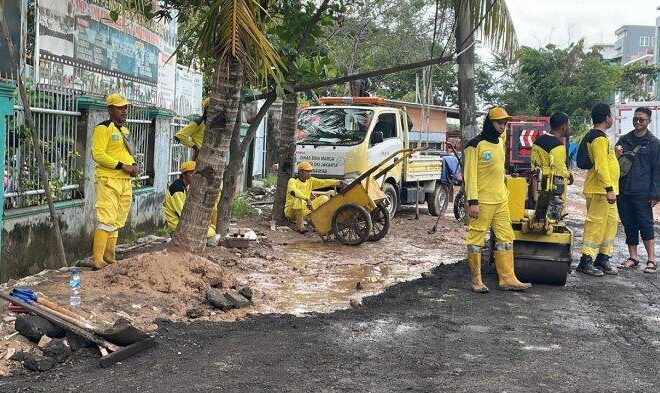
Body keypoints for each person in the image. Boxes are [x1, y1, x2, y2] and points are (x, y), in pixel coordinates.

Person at [464, 107, 531, 293]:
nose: (502, 126)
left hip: (500, 200)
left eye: (504, 123)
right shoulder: (475, 145)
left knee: (506, 238)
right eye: (499, 123)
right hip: (482, 202)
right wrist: (473, 202)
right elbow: (469, 176)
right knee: (476, 239)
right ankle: (476, 281)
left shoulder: (500, 142)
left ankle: (508, 278)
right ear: (489, 123)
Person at [91, 93, 138, 270]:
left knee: (117, 219)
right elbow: (98, 154)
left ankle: (110, 257)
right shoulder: (103, 128)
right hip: (108, 180)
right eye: (120, 107)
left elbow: (127, 154)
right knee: (106, 218)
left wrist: (133, 165)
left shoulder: (124, 130)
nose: (124, 111)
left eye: (125, 107)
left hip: (125, 181)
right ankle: (97, 260)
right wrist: (121, 166)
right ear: (110, 110)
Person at [576, 103, 620, 276]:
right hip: (600, 190)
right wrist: (609, 189)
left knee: (610, 224)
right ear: (607, 118)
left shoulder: (602, 138)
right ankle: (586, 260)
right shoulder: (599, 139)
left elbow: (604, 162)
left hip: (608, 190)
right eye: (611, 116)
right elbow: (601, 167)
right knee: (596, 224)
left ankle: (603, 257)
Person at [615, 107, 659, 274]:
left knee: (646, 224)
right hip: (624, 190)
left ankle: (652, 260)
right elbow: (613, 163)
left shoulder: (654, 143)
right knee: (629, 224)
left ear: (648, 121)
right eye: (636, 119)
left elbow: (657, 170)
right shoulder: (624, 141)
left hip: (643, 192)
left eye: (642, 119)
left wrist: (656, 194)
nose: (638, 122)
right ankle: (633, 257)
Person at [163, 161, 222, 246]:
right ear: (184, 175)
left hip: (182, 221)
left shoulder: (185, 186)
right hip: (177, 223)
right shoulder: (177, 189)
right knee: (211, 233)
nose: (194, 176)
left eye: (196, 173)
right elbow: (183, 213)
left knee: (211, 229)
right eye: (191, 173)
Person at [531, 112, 573, 215]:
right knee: (552, 218)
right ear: (564, 127)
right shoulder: (557, 146)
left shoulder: (537, 141)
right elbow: (558, 171)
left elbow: (533, 163)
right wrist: (569, 175)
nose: (569, 128)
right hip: (550, 191)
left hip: (535, 186)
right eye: (569, 125)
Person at [285, 161, 342, 233]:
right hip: (291, 212)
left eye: (310, 171)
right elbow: (293, 191)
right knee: (298, 199)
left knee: (324, 198)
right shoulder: (292, 180)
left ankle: (318, 223)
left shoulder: (310, 181)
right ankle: (300, 226)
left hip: (305, 210)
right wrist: (306, 199)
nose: (310, 173)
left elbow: (324, 182)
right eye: (307, 171)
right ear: (301, 172)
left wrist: (339, 182)